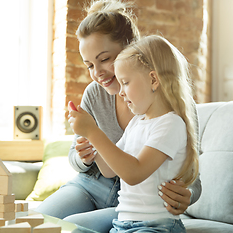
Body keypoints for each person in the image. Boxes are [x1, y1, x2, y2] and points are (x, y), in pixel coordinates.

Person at [35, 0, 201, 233]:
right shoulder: (97, 95)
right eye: (89, 65)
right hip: (91, 186)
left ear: (132, 48)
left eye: (105, 59)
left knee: (70, 227)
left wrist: (188, 195)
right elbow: (81, 159)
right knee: (34, 222)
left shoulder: (175, 107)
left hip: (136, 204)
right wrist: (85, 155)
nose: (98, 73)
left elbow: (191, 172)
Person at [68, 34, 199, 233]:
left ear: (153, 79)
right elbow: (110, 171)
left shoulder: (170, 124)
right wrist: (92, 147)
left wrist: (94, 132)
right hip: (123, 223)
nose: (121, 92)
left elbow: (133, 173)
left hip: (157, 227)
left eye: (126, 83)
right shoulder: (138, 122)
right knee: (71, 230)